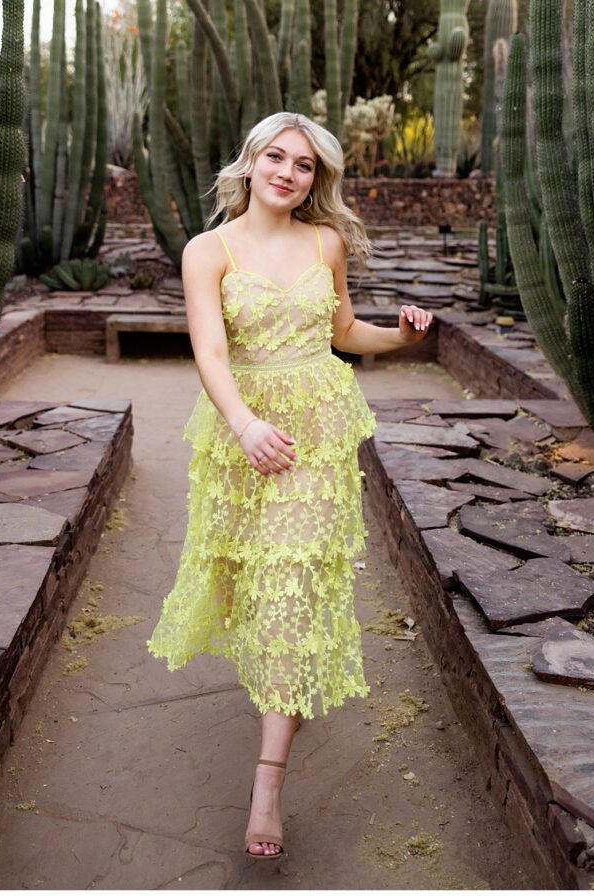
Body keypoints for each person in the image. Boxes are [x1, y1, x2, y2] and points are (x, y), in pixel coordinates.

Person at [146, 111, 433, 861]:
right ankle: (278, 697)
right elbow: (210, 350)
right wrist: (242, 425)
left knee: (294, 593)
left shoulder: (324, 242)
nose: (287, 172)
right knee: (254, 592)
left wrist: (401, 335)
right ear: (248, 162)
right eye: (275, 157)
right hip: (244, 432)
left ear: (317, 179)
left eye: (304, 165)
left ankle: (267, 783)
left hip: (316, 436)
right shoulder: (208, 250)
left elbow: (342, 331)